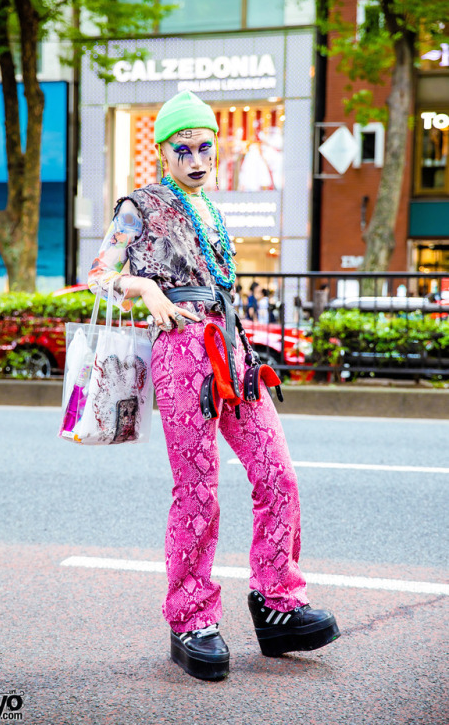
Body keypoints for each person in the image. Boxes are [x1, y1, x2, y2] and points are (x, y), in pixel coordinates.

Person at [88, 90, 340, 682]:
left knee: (277, 472)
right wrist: (145, 289)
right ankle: (191, 618)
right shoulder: (139, 205)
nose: (198, 158)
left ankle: (278, 602)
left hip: (232, 347)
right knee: (198, 487)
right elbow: (99, 273)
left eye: (207, 146)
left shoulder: (212, 209)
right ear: (164, 151)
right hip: (179, 350)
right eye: (185, 148)